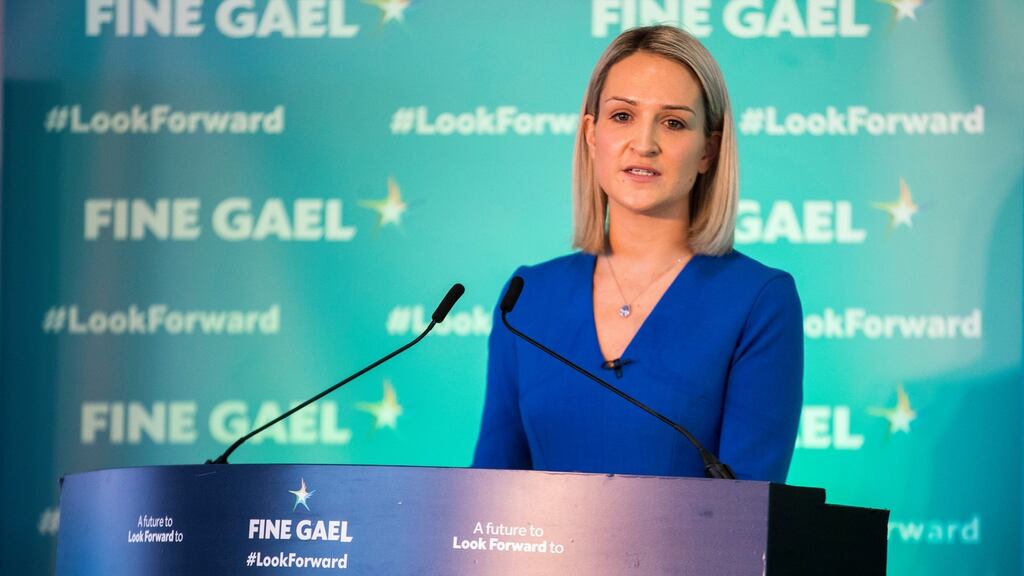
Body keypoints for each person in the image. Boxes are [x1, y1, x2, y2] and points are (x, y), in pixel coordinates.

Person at [472, 25, 803, 482]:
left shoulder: (759, 300)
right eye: (623, 116)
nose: (644, 144)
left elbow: (748, 516)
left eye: (673, 122)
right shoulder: (526, 296)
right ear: (591, 134)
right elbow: (488, 495)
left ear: (708, 148)